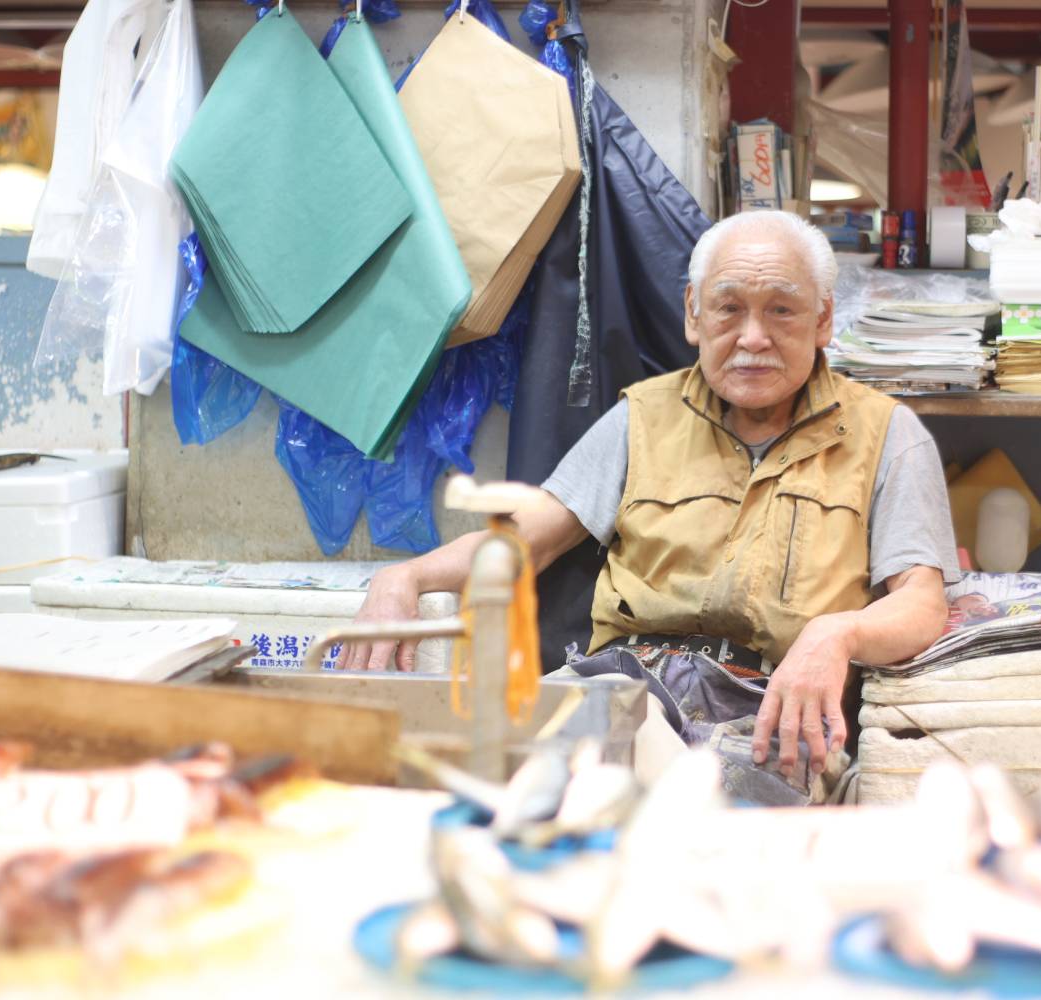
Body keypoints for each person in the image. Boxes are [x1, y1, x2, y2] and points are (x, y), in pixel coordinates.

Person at [346, 210, 959, 778]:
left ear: (823, 319)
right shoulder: (642, 417)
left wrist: (835, 635)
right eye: (728, 309)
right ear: (694, 314)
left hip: (765, 709)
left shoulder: (885, 433)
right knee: (490, 796)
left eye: (782, 310)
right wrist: (406, 578)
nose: (752, 337)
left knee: (689, 832)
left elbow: (921, 603)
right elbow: (524, 542)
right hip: (619, 686)